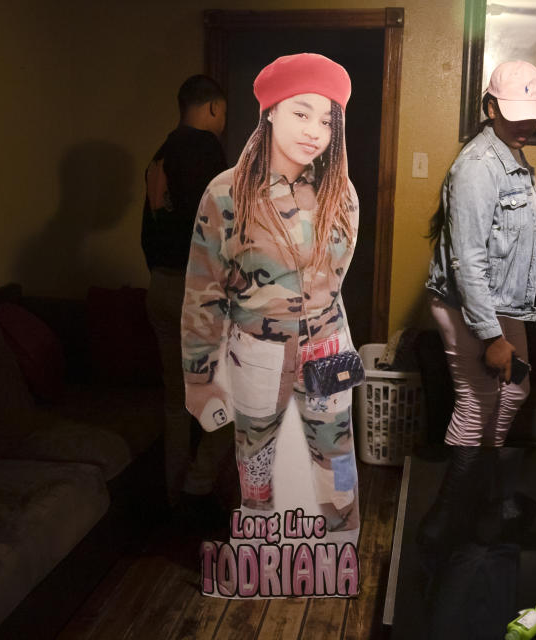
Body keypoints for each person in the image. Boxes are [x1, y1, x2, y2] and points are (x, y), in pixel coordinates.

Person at [181, 54, 360, 541]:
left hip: (327, 351)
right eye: (301, 113)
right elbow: (204, 293)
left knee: (337, 455)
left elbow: (335, 284)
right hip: (258, 355)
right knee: (255, 463)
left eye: (327, 120)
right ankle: (262, 551)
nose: (315, 131)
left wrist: (341, 347)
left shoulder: (340, 193)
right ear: (271, 112)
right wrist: (199, 380)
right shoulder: (226, 193)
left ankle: (340, 544)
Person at [425, 60, 536, 449]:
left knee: (515, 391)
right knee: (476, 405)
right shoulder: (478, 166)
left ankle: (483, 482)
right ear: (491, 108)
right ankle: (457, 504)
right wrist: (491, 335)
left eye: (531, 115)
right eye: (514, 114)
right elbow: (467, 261)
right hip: (466, 306)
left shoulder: (512, 157)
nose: (524, 125)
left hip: (501, 304)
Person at [141, 74, 232, 509]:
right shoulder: (205, 150)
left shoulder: (162, 150)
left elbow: (152, 229)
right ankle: (197, 488)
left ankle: (173, 496)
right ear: (213, 108)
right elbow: (217, 227)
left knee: (175, 401)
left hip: (158, 285)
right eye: (224, 113)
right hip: (192, 291)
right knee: (229, 394)